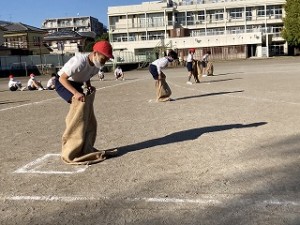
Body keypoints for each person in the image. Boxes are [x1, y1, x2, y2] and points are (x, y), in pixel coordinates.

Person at [55, 40, 117, 164]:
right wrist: (76, 93)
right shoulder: (79, 61)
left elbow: (87, 75)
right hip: (63, 83)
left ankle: (83, 144)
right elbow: (62, 78)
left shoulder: (96, 65)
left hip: (77, 84)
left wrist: (88, 85)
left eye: (106, 60)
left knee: (84, 110)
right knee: (79, 106)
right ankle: (71, 143)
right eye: (103, 58)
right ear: (95, 53)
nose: (104, 62)